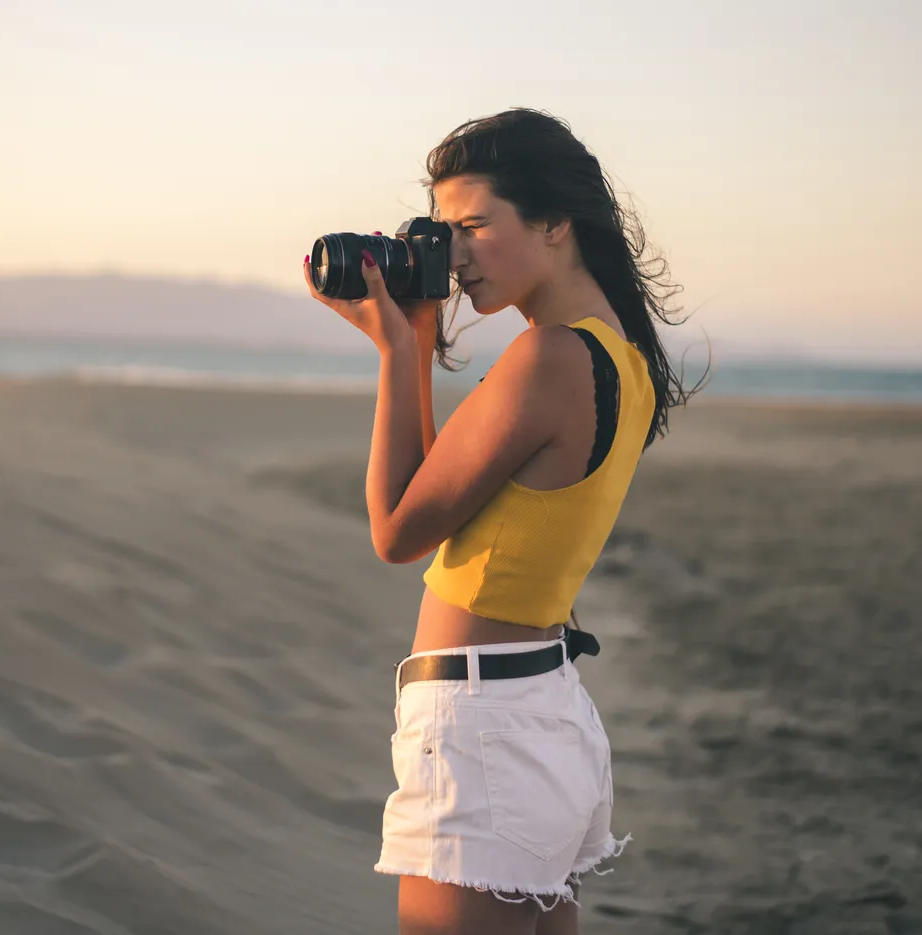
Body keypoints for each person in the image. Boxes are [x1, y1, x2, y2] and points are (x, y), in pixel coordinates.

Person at [302, 108, 700, 934]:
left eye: (476, 225)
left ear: (556, 222)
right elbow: (437, 494)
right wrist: (412, 334)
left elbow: (396, 528)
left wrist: (395, 353)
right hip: (538, 713)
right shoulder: (618, 353)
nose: (455, 255)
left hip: (484, 729)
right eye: (445, 231)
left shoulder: (550, 357)